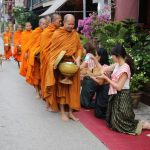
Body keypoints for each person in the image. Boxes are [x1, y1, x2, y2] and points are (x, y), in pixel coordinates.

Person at [94, 45, 150, 135]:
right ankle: (141, 124)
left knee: (124, 124)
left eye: (112, 55)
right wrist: (95, 61)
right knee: (114, 123)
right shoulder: (117, 64)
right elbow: (103, 69)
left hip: (123, 95)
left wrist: (106, 78)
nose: (111, 57)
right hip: (116, 95)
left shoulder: (125, 68)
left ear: (118, 56)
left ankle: (144, 125)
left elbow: (119, 87)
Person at [41, 14, 82, 121]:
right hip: (61, 66)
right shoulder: (57, 34)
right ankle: (63, 112)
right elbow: (53, 52)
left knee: (73, 90)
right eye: (69, 24)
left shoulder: (75, 35)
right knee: (62, 90)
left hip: (72, 65)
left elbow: (79, 48)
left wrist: (78, 58)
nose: (71, 26)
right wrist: (55, 63)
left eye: (73, 24)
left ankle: (71, 113)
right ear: (64, 23)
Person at [40, 13, 62, 101]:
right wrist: (52, 58)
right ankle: (48, 100)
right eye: (59, 21)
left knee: (56, 81)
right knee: (48, 79)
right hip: (48, 59)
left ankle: (55, 101)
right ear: (53, 21)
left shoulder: (60, 31)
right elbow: (44, 49)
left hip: (58, 58)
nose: (61, 22)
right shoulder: (46, 32)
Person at [26, 18, 47, 98]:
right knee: (36, 76)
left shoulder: (47, 33)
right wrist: (30, 52)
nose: (44, 25)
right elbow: (31, 44)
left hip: (44, 58)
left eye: (45, 24)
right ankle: (37, 92)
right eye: (43, 24)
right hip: (36, 58)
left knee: (43, 76)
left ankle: (42, 90)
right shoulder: (35, 32)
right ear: (39, 24)